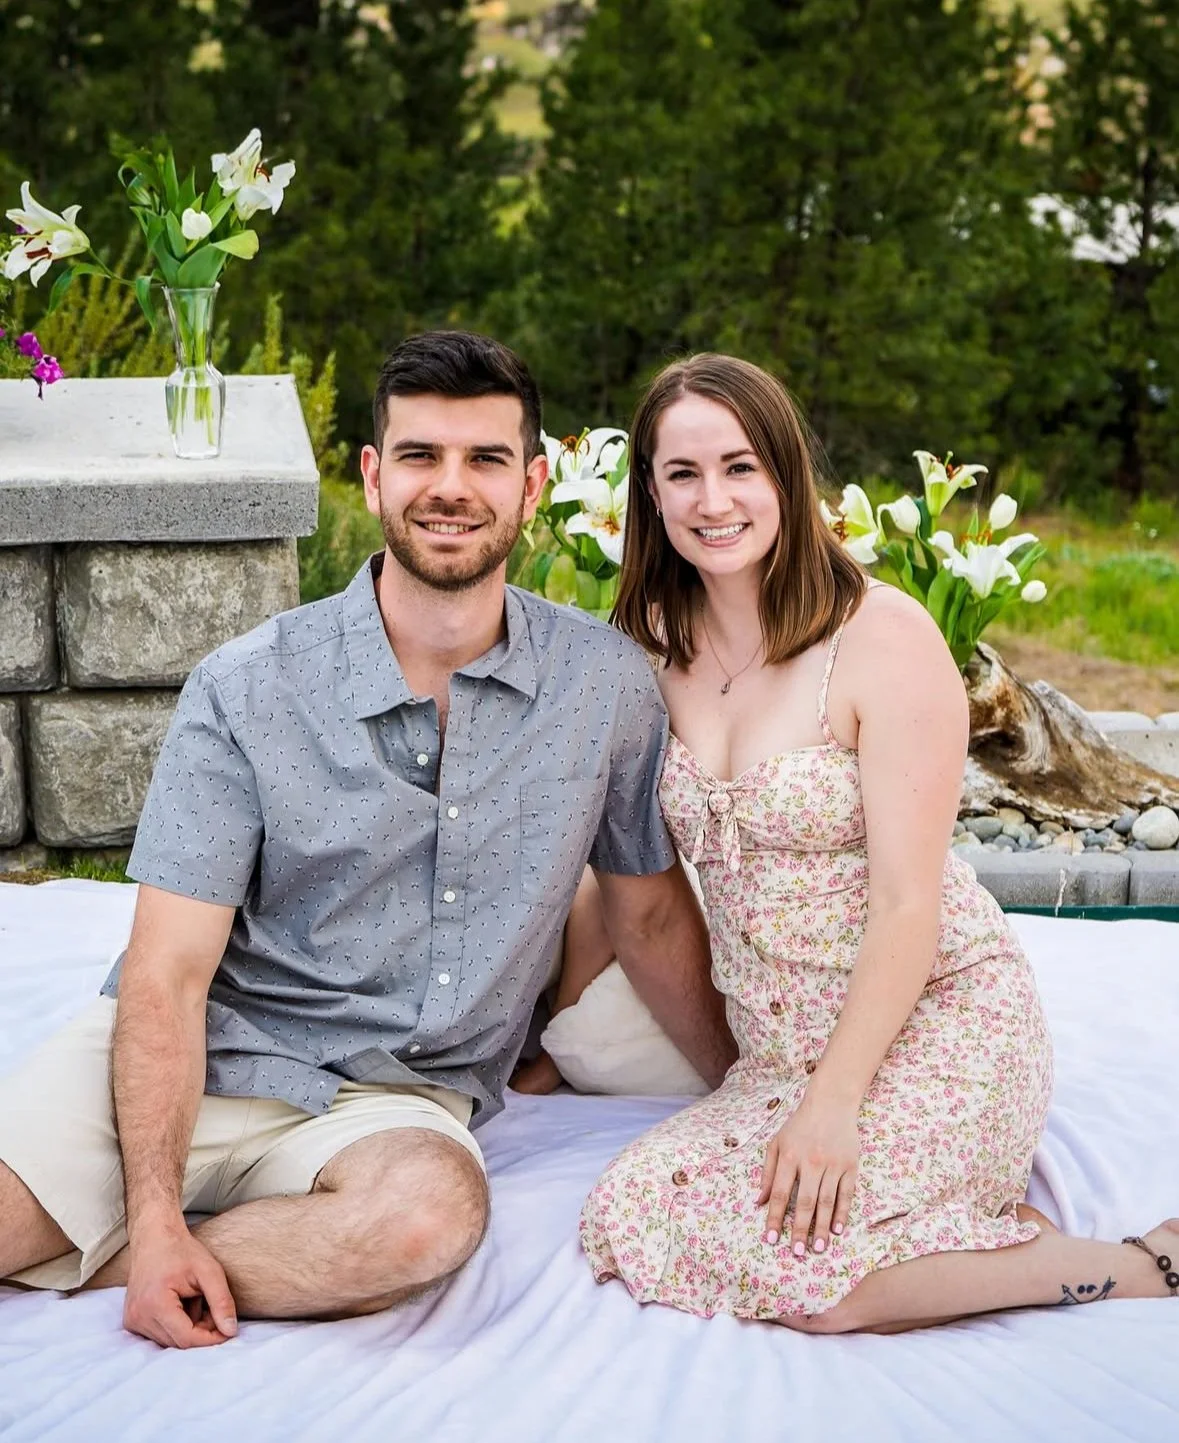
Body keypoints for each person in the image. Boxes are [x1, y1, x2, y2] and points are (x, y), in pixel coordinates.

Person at [0, 331, 735, 1350]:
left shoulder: (603, 690)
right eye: (422, 456)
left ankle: (122, 1258)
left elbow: (648, 914)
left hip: (398, 1103)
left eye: (484, 460)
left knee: (428, 1222)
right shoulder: (247, 686)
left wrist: (749, 1091)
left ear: (533, 486)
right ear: (374, 473)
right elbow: (168, 975)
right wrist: (161, 1209)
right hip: (209, 1051)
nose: (452, 488)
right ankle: (161, 1241)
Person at [576, 352, 1178, 1331]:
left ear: (785, 475)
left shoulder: (881, 638)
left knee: (815, 1287)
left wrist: (835, 1105)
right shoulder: (646, 644)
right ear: (649, 490)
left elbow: (911, 901)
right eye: (682, 473)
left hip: (933, 1018)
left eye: (740, 467)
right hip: (777, 1055)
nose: (713, 499)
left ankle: (1132, 1265)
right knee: (631, 1218)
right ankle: (960, 1226)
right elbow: (627, 881)